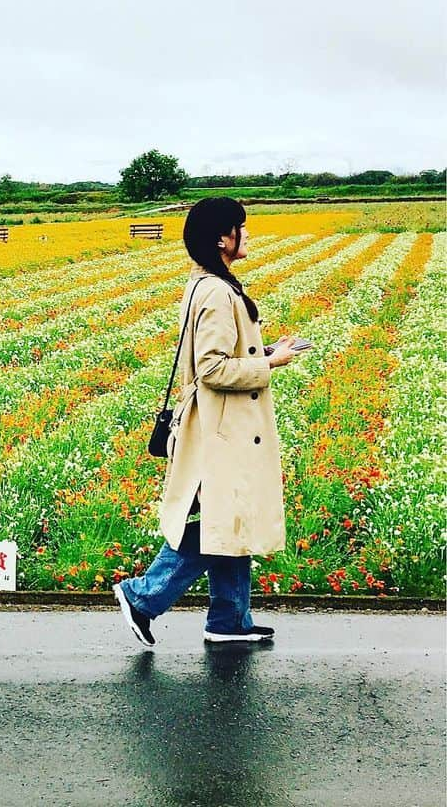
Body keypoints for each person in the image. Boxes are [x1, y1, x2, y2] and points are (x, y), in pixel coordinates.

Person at [113, 197, 304, 646]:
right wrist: (271, 362)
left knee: (230, 519)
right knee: (215, 522)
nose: (247, 234)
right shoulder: (217, 292)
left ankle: (229, 621)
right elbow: (213, 368)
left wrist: (264, 350)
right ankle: (143, 596)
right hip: (221, 432)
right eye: (241, 227)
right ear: (222, 238)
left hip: (220, 428)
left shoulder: (209, 282)